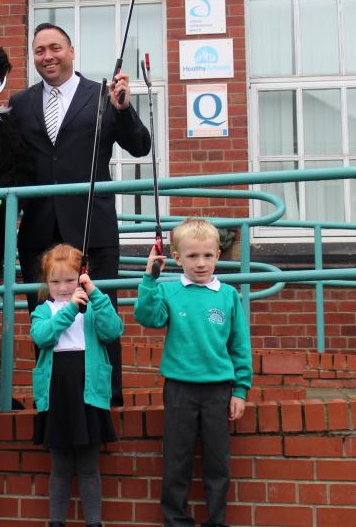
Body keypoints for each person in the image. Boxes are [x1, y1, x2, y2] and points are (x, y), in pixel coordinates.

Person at [9, 22, 151, 407]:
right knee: (43, 314)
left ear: (71, 51)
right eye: (39, 50)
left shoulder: (103, 96)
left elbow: (140, 146)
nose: (48, 56)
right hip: (39, 229)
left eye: (55, 48)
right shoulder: (21, 103)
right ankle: (50, 397)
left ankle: (107, 396)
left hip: (93, 226)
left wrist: (124, 109)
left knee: (100, 310)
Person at [134, 218, 252, 527]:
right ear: (177, 258)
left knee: (217, 463)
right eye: (192, 256)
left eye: (208, 255)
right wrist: (149, 279)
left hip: (218, 390)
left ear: (218, 255)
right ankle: (176, 521)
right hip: (179, 390)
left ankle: (216, 521)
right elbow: (148, 317)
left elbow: (239, 345)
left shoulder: (228, 295)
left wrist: (240, 390)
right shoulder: (169, 291)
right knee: (177, 462)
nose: (201, 263)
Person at [30, 244, 122, 527]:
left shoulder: (93, 308)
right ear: (46, 282)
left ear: (82, 276)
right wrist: (70, 309)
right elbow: (43, 337)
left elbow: (112, 330)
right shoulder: (43, 310)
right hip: (58, 393)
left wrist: (94, 294)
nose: (62, 288)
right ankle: (56, 521)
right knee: (59, 466)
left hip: (88, 393)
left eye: (70, 280)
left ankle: (94, 522)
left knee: (88, 466)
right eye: (55, 281)